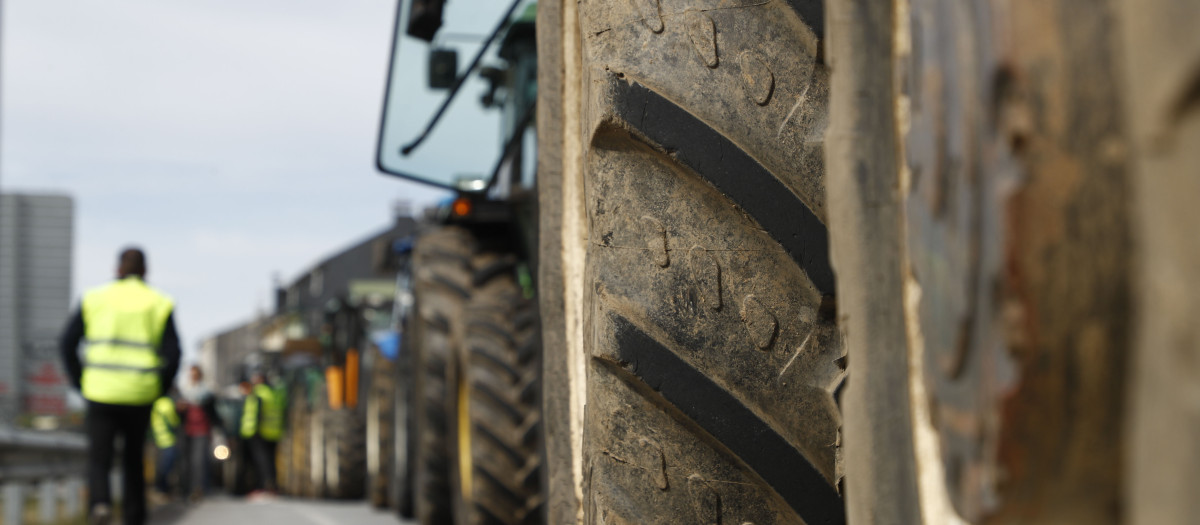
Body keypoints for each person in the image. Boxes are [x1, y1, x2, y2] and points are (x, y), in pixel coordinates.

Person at [60, 247, 181, 525]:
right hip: (140, 392)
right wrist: (159, 387)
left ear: (118, 269)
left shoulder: (95, 297)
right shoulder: (158, 301)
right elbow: (174, 354)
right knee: (133, 458)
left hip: (100, 391)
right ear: (145, 271)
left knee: (99, 457)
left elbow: (67, 343)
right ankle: (134, 516)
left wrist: (81, 381)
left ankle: (100, 505)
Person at [177, 365, 217, 502]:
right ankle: (185, 489)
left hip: (201, 430)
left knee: (198, 461)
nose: (193, 376)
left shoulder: (207, 393)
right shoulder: (184, 392)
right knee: (185, 462)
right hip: (187, 430)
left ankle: (198, 489)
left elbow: (213, 414)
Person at [240, 371, 282, 495]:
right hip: (273, 432)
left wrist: (255, 429)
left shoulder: (257, 393)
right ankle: (272, 486)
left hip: (258, 432)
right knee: (270, 461)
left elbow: (257, 412)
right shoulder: (272, 393)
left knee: (260, 462)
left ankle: (263, 487)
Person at [149, 392, 180, 503]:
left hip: (157, 438)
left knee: (160, 466)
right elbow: (174, 421)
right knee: (167, 467)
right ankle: (163, 490)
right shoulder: (166, 403)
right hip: (167, 439)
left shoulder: (154, 403)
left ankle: (162, 490)